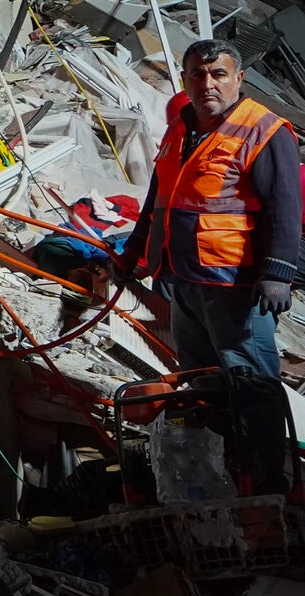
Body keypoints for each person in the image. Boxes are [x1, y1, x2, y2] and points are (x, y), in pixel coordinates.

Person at [121, 40, 299, 379]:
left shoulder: (264, 130)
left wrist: (278, 273)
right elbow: (159, 197)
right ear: (185, 80)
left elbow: (284, 208)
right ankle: (212, 431)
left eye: (219, 74)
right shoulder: (180, 127)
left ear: (239, 78)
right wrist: (136, 247)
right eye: (198, 75)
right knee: (198, 373)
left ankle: (259, 434)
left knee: (248, 377)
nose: (208, 84)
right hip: (182, 276)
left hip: (232, 282)